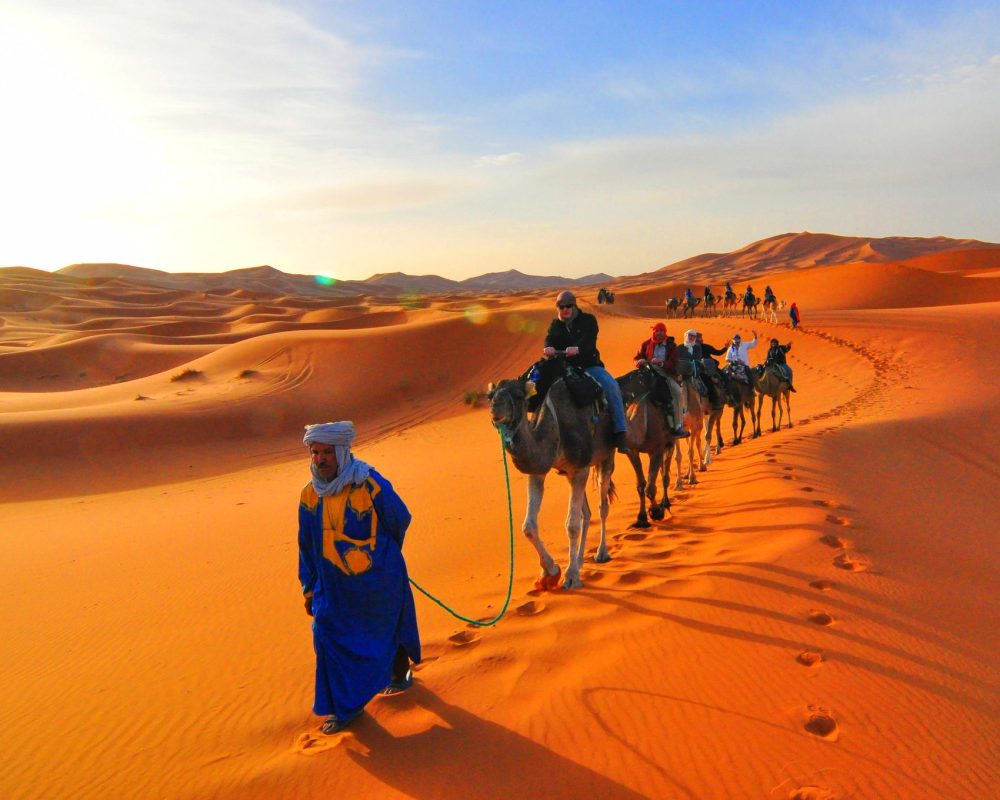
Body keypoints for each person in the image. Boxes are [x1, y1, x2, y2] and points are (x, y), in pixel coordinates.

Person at [299, 421, 421, 735]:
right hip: (333, 588)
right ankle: (344, 707)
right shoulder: (310, 495)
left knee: (385, 629)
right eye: (315, 453)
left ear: (341, 451)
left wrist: (382, 557)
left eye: (327, 452)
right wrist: (309, 587)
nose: (321, 459)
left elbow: (399, 519)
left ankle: (398, 674)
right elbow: (306, 544)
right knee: (326, 635)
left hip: (377, 581)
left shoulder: (369, 483)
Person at [544, 290, 630, 452]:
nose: (565, 310)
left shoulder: (588, 320)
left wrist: (577, 349)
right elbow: (550, 338)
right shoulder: (556, 325)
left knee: (611, 386)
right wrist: (548, 347)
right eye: (561, 307)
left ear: (574, 306)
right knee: (538, 383)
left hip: (589, 365)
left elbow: (589, 340)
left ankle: (620, 432)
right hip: (565, 367)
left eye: (568, 306)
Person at [633, 322, 690, 437]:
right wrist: (638, 362)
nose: (659, 333)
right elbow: (637, 357)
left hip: (665, 374)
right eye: (657, 331)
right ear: (653, 331)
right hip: (647, 372)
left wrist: (662, 363)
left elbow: (673, 363)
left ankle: (678, 426)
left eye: (661, 331)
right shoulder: (646, 344)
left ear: (665, 332)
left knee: (677, 393)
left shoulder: (671, 346)